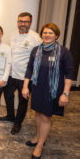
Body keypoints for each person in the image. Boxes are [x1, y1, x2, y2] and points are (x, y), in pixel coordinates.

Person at [22, 23, 73, 159]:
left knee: (45, 117)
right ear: (41, 35)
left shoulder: (63, 52)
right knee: (38, 114)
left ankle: (39, 145)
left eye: (51, 33)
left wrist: (65, 94)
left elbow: (69, 74)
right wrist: (25, 86)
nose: (47, 35)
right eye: (45, 32)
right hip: (37, 88)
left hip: (53, 91)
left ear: (56, 36)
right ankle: (38, 137)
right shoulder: (36, 50)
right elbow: (29, 69)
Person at [0, 12, 41, 135]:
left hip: (25, 76)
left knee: (23, 100)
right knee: (8, 95)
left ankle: (18, 123)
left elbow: (37, 59)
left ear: (30, 23)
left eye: (25, 21)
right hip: (11, 74)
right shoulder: (13, 34)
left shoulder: (36, 38)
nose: (22, 24)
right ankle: (10, 116)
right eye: (20, 21)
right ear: (17, 22)